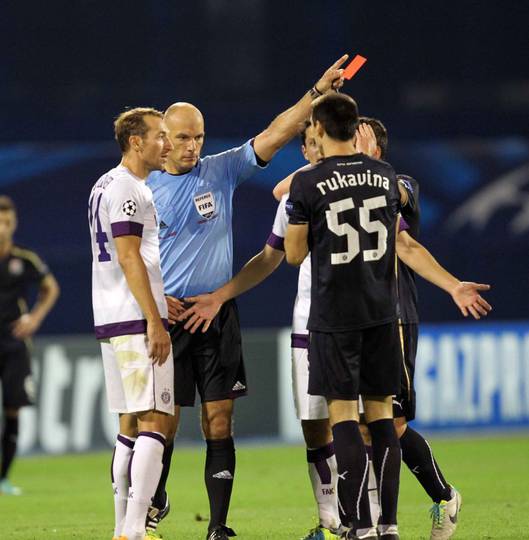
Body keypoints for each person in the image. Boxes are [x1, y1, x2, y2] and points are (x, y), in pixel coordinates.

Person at [178, 112, 490, 539]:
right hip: (325, 320)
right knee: (327, 424)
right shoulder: (325, 183)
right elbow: (277, 230)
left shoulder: (390, 181)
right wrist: (222, 294)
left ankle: (387, 514)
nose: (311, 148)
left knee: (376, 423)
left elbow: (390, 240)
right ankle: (341, 522)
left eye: (316, 139)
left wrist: (453, 286)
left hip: (382, 316)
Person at [146, 55, 349, 540]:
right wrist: (155, 301)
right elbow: (126, 257)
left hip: (216, 314)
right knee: (164, 426)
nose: (193, 145)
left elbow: (277, 133)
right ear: (163, 140)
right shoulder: (140, 187)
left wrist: (316, 94)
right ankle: (151, 510)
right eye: (183, 137)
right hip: (168, 316)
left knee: (220, 420)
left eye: (199, 136)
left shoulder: (221, 171)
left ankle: (218, 526)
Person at [284, 93, 490, 540]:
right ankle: (387, 526)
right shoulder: (386, 180)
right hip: (381, 314)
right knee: (378, 421)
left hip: (347, 315)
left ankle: (368, 522)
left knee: (360, 423)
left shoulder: (317, 183)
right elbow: (402, 240)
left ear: (318, 128)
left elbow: (294, 251)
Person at [88, 107, 175, 540]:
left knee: (129, 425)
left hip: (110, 316)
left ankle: (123, 525)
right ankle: (136, 528)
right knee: (155, 421)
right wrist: (154, 320)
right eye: (160, 136)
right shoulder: (129, 189)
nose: (168, 144)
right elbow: (128, 256)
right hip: (134, 320)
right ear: (136, 141)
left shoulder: (103, 184)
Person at [0, 195, 59, 495]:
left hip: (13, 344)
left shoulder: (24, 259)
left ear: (15, 223)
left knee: (13, 409)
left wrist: (34, 319)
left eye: (7, 221)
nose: (2, 228)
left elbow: (50, 288)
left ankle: (3, 478)